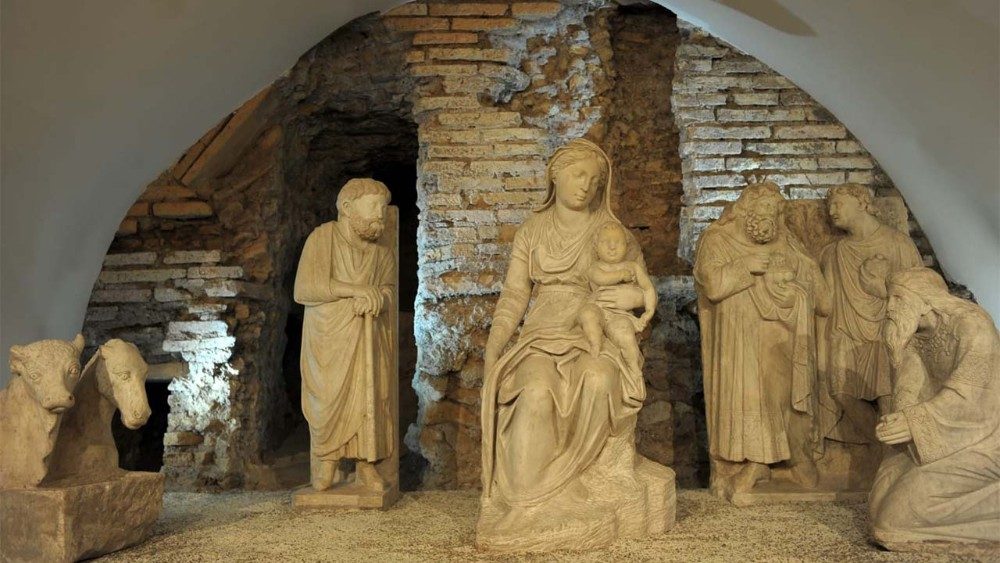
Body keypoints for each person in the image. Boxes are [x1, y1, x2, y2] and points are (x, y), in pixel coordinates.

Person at [477, 138, 669, 551]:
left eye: (595, 181)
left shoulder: (612, 232)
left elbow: (641, 290)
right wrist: (494, 346)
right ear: (555, 174)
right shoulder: (533, 230)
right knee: (535, 389)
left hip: (594, 329)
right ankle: (527, 502)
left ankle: (574, 482)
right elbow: (515, 295)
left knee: (598, 378)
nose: (586, 186)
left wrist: (630, 299)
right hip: (542, 331)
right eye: (578, 175)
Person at [694, 182, 828, 500]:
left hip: (779, 333)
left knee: (781, 394)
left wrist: (796, 284)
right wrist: (745, 266)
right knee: (747, 397)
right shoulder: (717, 239)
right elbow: (713, 286)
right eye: (765, 208)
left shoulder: (786, 241)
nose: (771, 217)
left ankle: (794, 457)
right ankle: (749, 464)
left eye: (776, 211)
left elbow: (816, 291)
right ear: (746, 210)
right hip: (737, 336)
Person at [869, 267, 1000, 549]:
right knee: (878, 502)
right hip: (940, 437)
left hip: (984, 440)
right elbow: (909, 388)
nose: (889, 307)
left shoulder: (972, 326)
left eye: (898, 298)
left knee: (892, 522)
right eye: (889, 299)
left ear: (926, 301)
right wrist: (898, 420)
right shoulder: (911, 333)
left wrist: (913, 422)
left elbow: (973, 400)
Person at [293, 178, 396, 492]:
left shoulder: (381, 254)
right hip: (328, 337)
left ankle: (367, 465)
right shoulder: (322, 239)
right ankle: (328, 461)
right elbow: (304, 289)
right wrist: (357, 290)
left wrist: (378, 299)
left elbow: (389, 292)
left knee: (370, 396)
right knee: (327, 398)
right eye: (373, 205)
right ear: (348, 208)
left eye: (383, 207)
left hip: (367, 336)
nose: (380, 213)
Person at [818, 184, 922, 444]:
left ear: (862, 204)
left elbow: (919, 291)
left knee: (888, 398)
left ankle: (891, 455)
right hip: (845, 332)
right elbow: (826, 302)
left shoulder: (898, 243)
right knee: (840, 392)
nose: (832, 211)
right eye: (829, 206)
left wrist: (882, 289)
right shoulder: (835, 252)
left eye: (838, 204)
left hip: (886, 332)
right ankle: (880, 449)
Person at [577, 221, 656, 378]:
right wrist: (620, 275)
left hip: (620, 315)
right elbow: (599, 278)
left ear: (626, 245)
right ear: (596, 247)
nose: (612, 247)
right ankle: (595, 344)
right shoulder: (596, 267)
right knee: (587, 315)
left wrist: (649, 311)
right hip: (598, 309)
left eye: (618, 242)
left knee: (625, 335)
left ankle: (633, 367)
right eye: (605, 242)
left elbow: (648, 288)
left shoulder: (633, 267)